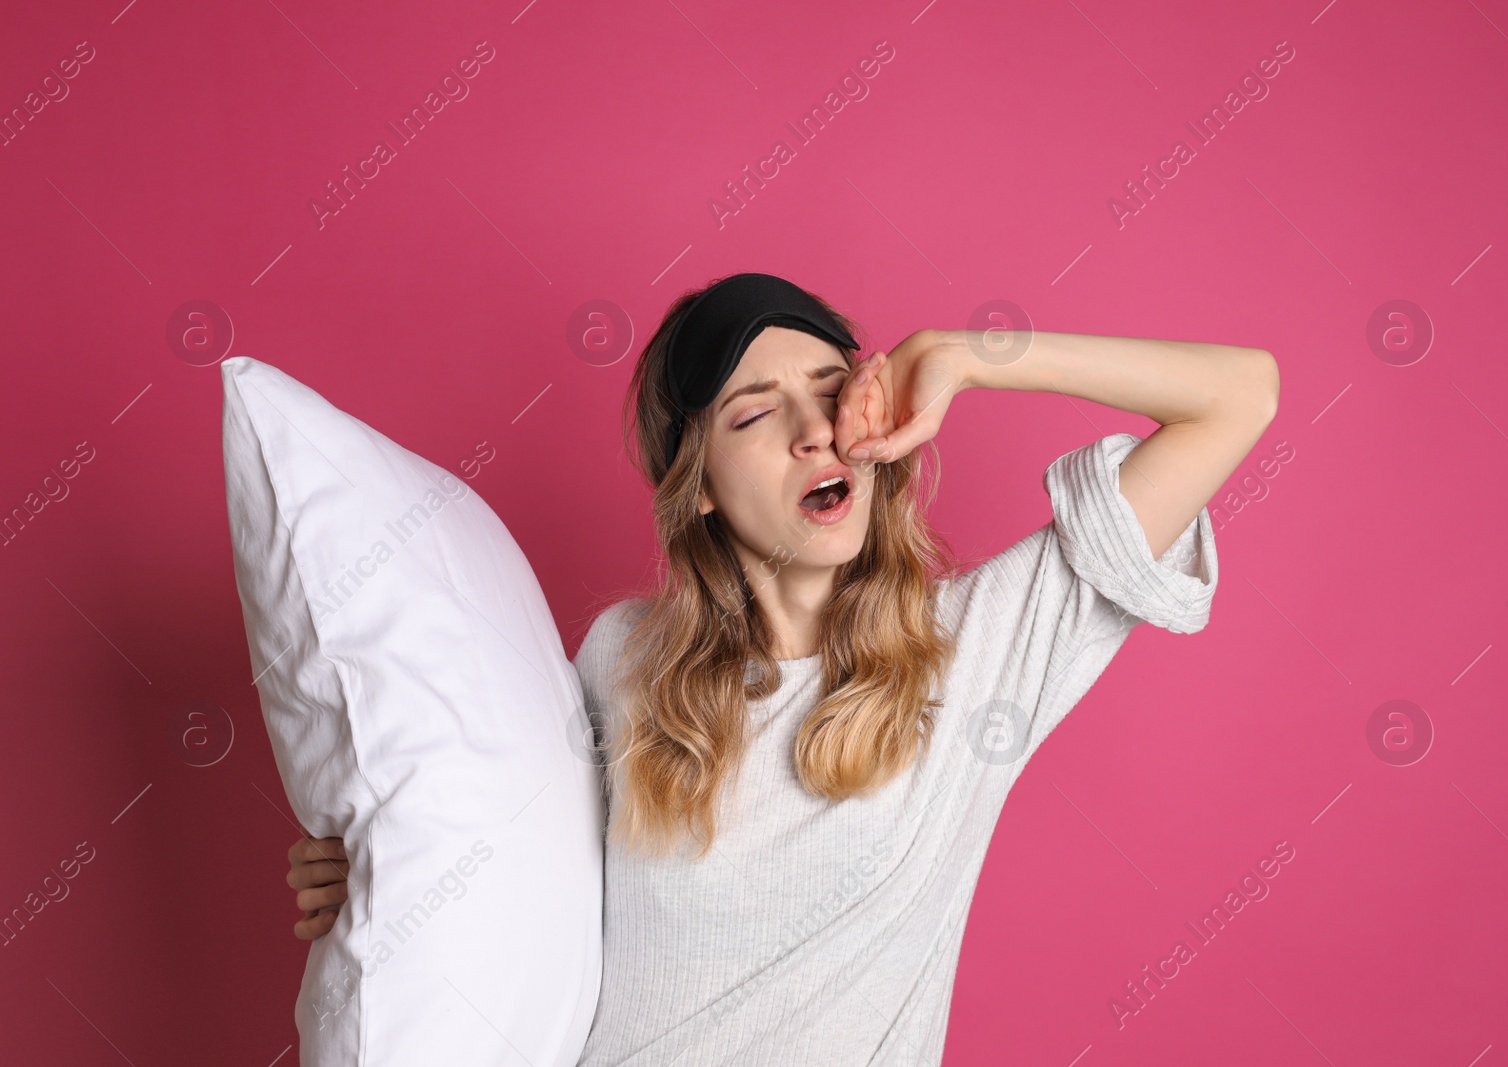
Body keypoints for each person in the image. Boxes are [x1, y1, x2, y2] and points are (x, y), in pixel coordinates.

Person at [286, 272, 1277, 1064]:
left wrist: (965, 356)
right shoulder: (623, 660)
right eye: (755, 415)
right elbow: (520, 872)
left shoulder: (976, 649)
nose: (814, 431)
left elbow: (1239, 394)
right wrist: (384, 866)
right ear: (699, 485)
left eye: (831, 392)